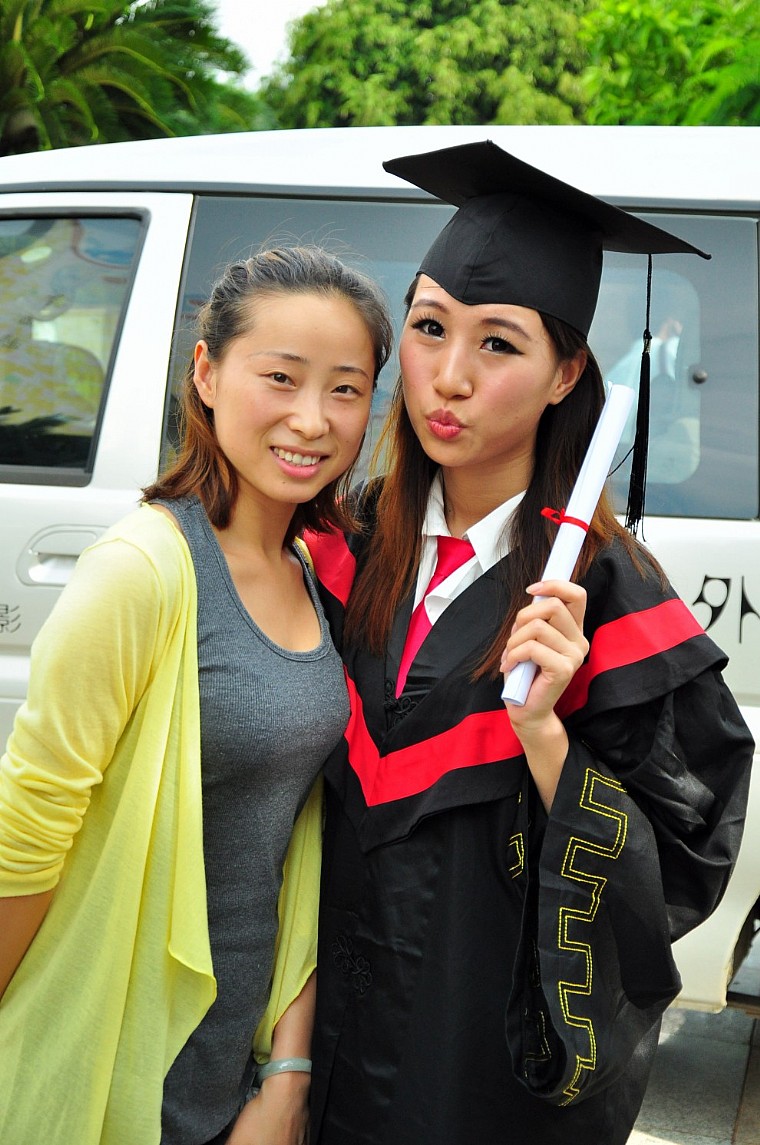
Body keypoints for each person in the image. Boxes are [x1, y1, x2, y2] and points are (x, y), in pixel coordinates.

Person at [304, 143, 754, 1145]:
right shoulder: (339, 545)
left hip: (482, 1081)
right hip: (314, 1048)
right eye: (429, 327)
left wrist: (546, 736)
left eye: (499, 344)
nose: (448, 377)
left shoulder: (610, 599)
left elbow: (681, 865)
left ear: (566, 374)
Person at [0, 246, 393, 1145]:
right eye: (281, 377)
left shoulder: (309, 570)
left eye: (345, 389)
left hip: (227, 1071)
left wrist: (286, 1074)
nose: (312, 419)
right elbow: (26, 833)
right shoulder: (141, 570)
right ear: (207, 374)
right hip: (105, 1050)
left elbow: (299, 843)